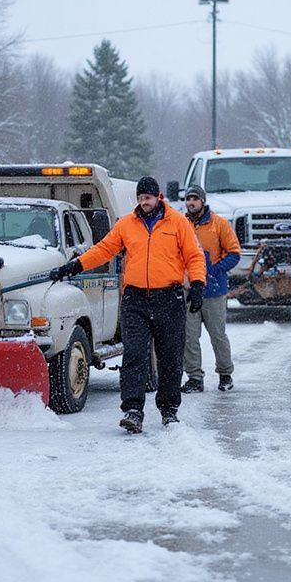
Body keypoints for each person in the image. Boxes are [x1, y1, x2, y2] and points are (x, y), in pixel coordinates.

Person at [54, 176, 206, 433]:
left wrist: (199, 284)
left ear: (158, 197)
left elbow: (194, 255)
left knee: (169, 357)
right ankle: (133, 410)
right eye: (139, 198)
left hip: (169, 298)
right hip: (135, 299)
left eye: (147, 198)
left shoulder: (178, 223)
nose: (143, 203)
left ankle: (169, 409)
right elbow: (103, 249)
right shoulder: (127, 224)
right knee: (135, 355)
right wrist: (76, 265)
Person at [180, 184, 241, 393]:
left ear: (203, 201)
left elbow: (234, 253)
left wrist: (213, 272)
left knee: (218, 335)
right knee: (189, 336)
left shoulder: (219, 224)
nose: (191, 203)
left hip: (214, 291)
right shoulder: (180, 223)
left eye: (195, 199)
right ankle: (195, 377)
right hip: (188, 290)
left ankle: (225, 374)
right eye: (188, 199)